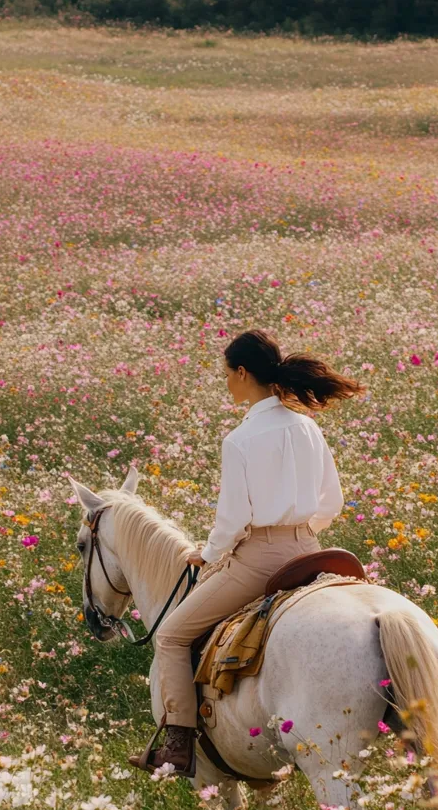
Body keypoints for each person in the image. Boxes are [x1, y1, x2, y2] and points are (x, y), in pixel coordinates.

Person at [129, 328, 364, 777]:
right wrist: (299, 533)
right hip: (311, 550)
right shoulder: (307, 426)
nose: (226, 382)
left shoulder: (240, 439)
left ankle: (178, 746)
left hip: (258, 558)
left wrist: (210, 554)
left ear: (241, 372)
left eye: (226, 373)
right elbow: (331, 501)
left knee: (172, 637)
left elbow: (233, 520)